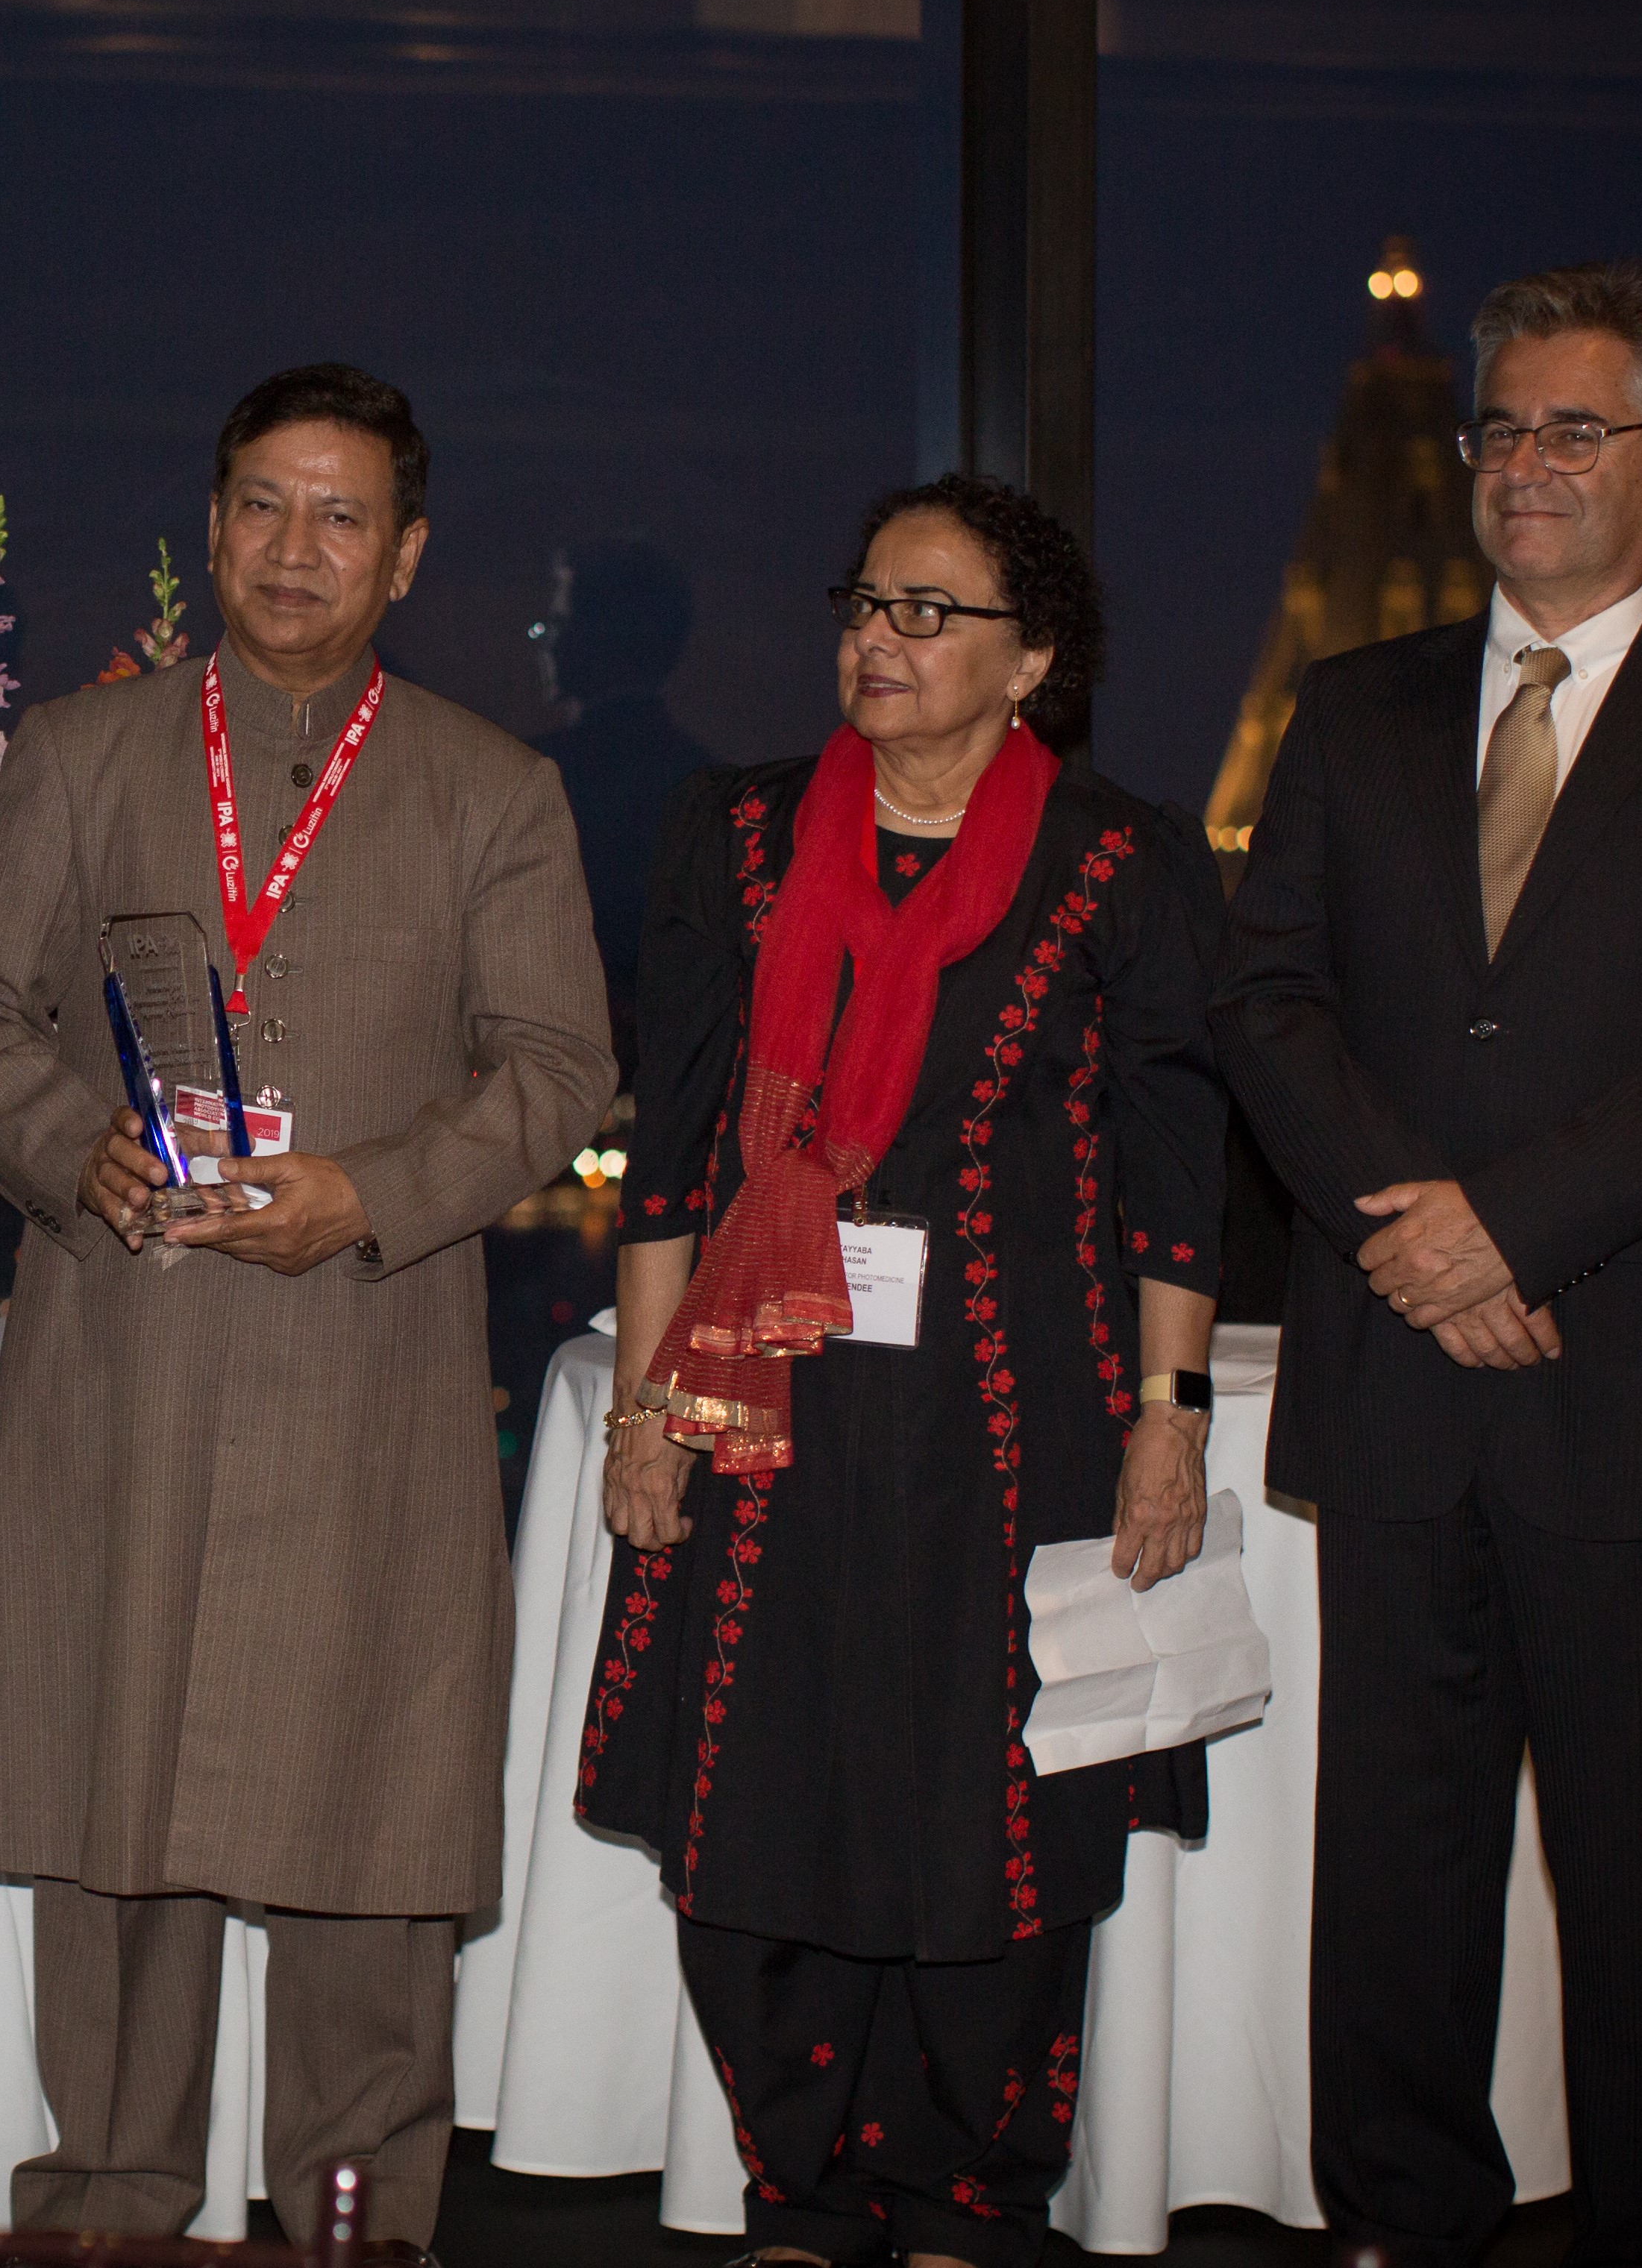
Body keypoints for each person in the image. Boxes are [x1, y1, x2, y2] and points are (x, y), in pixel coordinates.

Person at [0, 362, 613, 2255]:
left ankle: (351, 2231)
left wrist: (373, 1194)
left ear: (405, 552)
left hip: (366, 1375)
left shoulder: (496, 788)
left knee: (371, 1853)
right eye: (259, 504)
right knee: (117, 1830)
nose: (292, 547)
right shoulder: (85, 755)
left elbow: (560, 1066)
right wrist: (76, 1151)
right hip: (127, 1352)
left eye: (338, 516)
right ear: (211, 524)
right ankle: (104, 2217)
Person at [583, 473, 1227, 2267]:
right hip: (762, 1398)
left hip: (1016, 1418)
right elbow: (679, 1145)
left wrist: (1169, 1427)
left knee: (997, 1817)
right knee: (753, 1787)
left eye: (931, 611)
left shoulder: (1119, 861)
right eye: (867, 600)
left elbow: (1177, 1171)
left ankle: (962, 2191)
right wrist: (646, 1407)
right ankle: (798, 2180)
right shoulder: (738, 831)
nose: (882, 636)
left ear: (1031, 664)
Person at [1215, 261, 1642, 2268]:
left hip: (1641, 1396)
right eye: (1497, 429)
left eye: (1570, 429)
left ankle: (1637, 2226)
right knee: (1393, 1855)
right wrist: (1421, 1241)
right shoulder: (1351, 709)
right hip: (1394, 1381)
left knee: (1636, 1888)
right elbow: (1266, 998)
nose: (1520, 467)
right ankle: (1396, 2220)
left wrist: (1510, 1224)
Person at [527, 533, 712, 1074]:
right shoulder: (707, 781)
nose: (543, 641)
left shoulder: (531, 778)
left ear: (600, 638)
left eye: (556, 623)